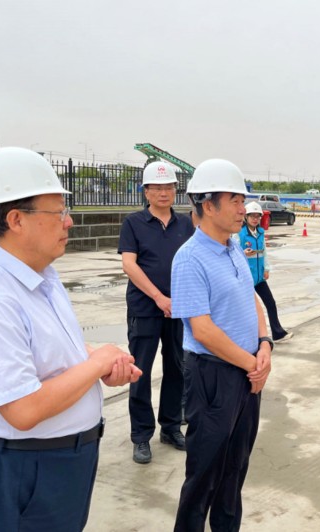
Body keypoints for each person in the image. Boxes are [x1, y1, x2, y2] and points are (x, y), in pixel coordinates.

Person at [0, 147, 141, 532]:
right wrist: (96, 364)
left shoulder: (41, 276)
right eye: (58, 212)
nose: (69, 222)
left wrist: (98, 358)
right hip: (22, 469)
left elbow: (51, 351)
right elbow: (23, 410)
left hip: (60, 462)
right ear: (16, 220)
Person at [170, 158, 272, 531]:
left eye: (242, 200)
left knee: (235, 471)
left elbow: (252, 300)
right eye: (235, 201)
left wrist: (265, 344)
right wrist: (251, 364)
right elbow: (202, 330)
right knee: (205, 475)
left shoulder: (233, 248)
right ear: (208, 205)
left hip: (248, 373)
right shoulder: (189, 258)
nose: (243, 209)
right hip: (213, 376)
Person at [118, 160, 194, 464]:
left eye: (169, 187)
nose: (164, 192)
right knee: (140, 371)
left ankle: (171, 427)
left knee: (177, 368)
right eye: (157, 187)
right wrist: (159, 297)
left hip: (178, 309)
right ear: (146, 191)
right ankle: (141, 436)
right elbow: (129, 264)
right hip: (145, 309)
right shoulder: (133, 223)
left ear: (176, 190)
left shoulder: (186, 224)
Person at [235, 201, 293, 343]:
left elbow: (264, 252)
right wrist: (243, 253)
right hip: (246, 277)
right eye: (252, 216)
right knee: (249, 309)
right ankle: (248, 339)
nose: (255, 219)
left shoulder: (261, 232)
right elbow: (233, 253)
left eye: (258, 216)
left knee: (270, 303)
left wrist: (266, 268)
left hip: (259, 277)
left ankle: (278, 334)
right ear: (246, 217)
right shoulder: (239, 234)